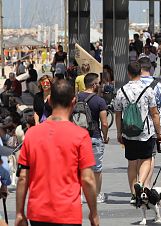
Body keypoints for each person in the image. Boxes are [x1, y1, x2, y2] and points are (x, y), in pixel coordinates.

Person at [15, 79, 99, 226]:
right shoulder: (80, 135)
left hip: (38, 213)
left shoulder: (32, 134)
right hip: (68, 213)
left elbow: (23, 177)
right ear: (74, 101)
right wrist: (93, 213)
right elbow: (87, 179)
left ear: (50, 100)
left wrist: (20, 213)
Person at [113, 62, 161, 205]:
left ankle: (133, 194)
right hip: (145, 133)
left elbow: (117, 115)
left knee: (131, 163)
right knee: (146, 159)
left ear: (128, 73)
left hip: (129, 133)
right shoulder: (148, 90)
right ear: (140, 72)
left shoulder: (121, 91)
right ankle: (140, 182)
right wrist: (158, 132)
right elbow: (154, 113)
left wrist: (119, 132)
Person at [137, 57, 161, 189]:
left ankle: (138, 183)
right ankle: (147, 186)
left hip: (135, 123)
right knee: (150, 156)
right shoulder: (157, 85)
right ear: (150, 68)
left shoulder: (132, 84)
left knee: (137, 157)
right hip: (153, 125)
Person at [77, 73, 109, 203]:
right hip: (94, 137)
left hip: (78, 137)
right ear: (94, 84)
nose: (100, 85)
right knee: (96, 168)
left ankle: (78, 195)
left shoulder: (76, 98)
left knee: (78, 167)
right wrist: (105, 136)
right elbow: (105, 123)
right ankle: (97, 195)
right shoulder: (100, 101)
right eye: (98, 83)